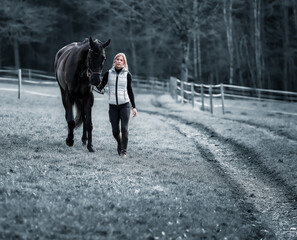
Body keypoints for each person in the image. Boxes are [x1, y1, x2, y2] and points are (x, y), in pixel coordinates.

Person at [96, 53, 137, 158]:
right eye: (117, 59)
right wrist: (94, 82)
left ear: (124, 62)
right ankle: (119, 143)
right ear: (114, 61)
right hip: (113, 106)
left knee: (124, 128)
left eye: (121, 60)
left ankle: (124, 151)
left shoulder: (127, 75)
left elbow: (130, 91)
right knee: (115, 131)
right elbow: (101, 86)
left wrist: (134, 107)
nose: (118, 61)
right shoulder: (108, 73)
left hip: (125, 105)